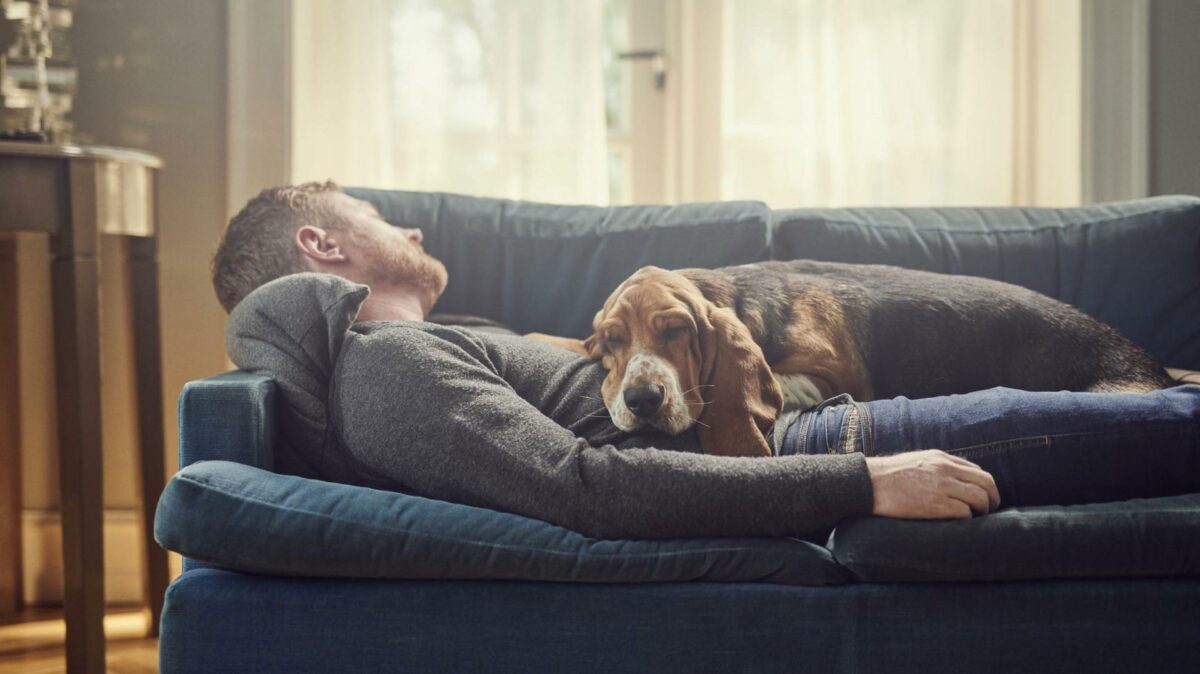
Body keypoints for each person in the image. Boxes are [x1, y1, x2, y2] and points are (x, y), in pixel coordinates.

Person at [211, 181, 1199, 539]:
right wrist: (861, 479)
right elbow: (594, 488)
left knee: (1167, 410)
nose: (412, 222)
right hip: (830, 440)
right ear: (320, 247)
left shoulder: (433, 341)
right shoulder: (386, 369)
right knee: (1173, 434)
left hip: (805, 429)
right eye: (379, 218)